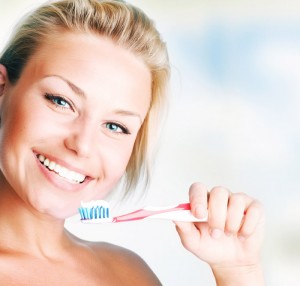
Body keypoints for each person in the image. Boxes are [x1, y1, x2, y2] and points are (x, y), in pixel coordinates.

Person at [0, 0, 265, 285]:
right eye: (61, 101)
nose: (83, 145)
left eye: (115, 126)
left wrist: (238, 271)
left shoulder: (127, 275)